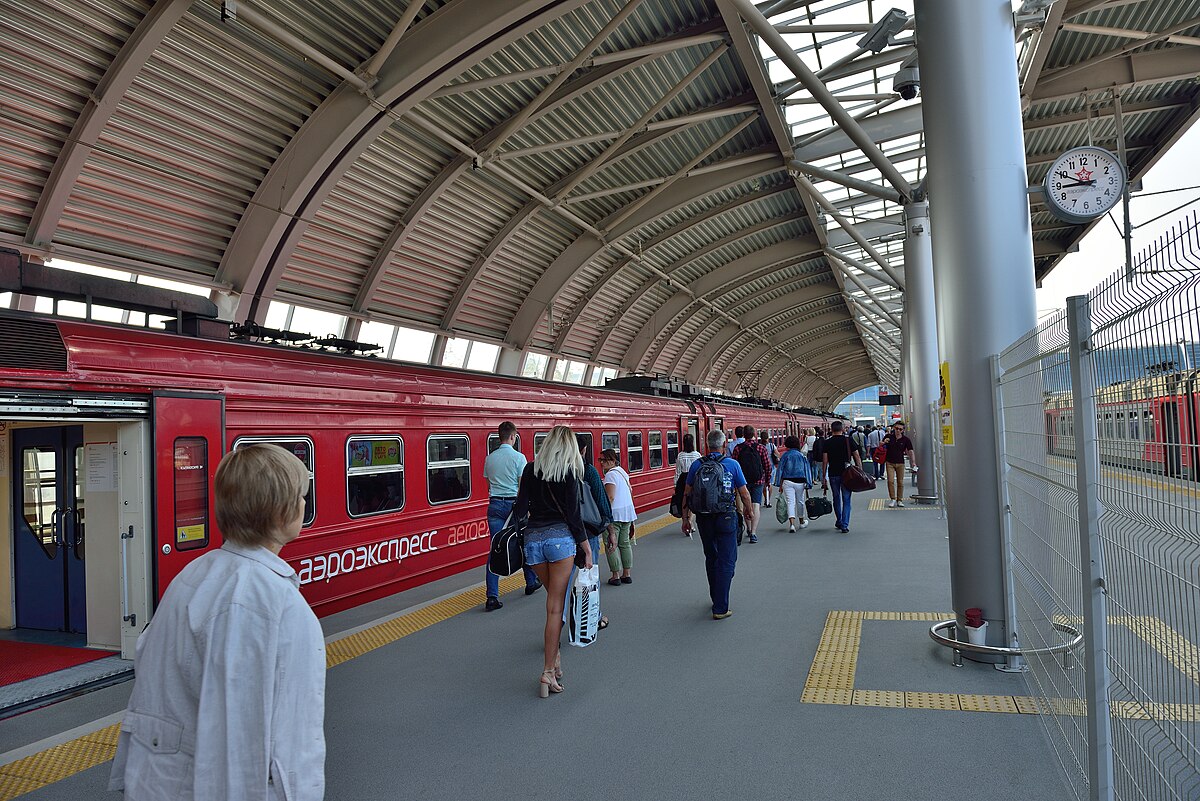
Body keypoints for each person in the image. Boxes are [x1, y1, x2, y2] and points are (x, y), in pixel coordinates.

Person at [109, 444, 325, 800]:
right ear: (280, 511)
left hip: (160, 781)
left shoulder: (192, 576)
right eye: (301, 495)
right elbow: (256, 739)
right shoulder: (273, 603)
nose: (304, 504)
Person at [512, 425, 591, 697]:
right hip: (560, 543)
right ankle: (547, 671)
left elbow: (520, 509)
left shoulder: (530, 469)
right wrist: (587, 549)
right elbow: (573, 516)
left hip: (533, 543)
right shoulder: (569, 472)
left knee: (553, 604)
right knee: (555, 608)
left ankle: (555, 661)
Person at [680, 430, 752, 620]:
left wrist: (685, 519)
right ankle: (720, 607)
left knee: (711, 557)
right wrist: (748, 511)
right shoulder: (732, 464)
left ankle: (716, 596)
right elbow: (744, 493)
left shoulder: (697, 465)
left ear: (707, 445)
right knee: (727, 560)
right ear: (723, 445)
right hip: (726, 516)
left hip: (703, 518)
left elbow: (686, 493)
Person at [482, 421, 541, 611]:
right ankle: (531, 582)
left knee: (496, 548)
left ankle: (492, 596)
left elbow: (488, 485)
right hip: (513, 506)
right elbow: (523, 488)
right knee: (522, 542)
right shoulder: (519, 458)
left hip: (494, 505)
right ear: (513, 436)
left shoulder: (489, 458)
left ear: (500, 436)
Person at [578, 434, 612, 630]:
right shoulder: (589, 471)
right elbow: (602, 502)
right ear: (583, 450)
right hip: (588, 532)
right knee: (589, 578)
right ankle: (593, 618)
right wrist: (611, 530)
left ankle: (559, 625)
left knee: (563, 585)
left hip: (563, 535)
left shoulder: (555, 471)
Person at [598, 448, 636, 586]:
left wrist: (603, 513)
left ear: (613, 460)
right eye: (600, 460)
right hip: (627, 512)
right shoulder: (622, 472)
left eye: (605, 460)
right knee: (624, 544)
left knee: (610, 545)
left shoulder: (610, 475)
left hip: (615, 515)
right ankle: (627, 574)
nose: (602, 463)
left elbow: (610, 497)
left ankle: (615, 575)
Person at [821, 420, 864, 533]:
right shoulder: (848, 440)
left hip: (833, 474)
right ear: (843, 429)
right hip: (847, 474)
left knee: (836, 498)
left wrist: (823, 477)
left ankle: (839, 520)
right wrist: (860, 470)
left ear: (831, 429)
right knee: (846, 499)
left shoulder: (827, 442)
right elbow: (857, 457)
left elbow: (825, 461)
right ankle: (844, 524)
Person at [732, 425, 772, 543]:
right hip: (758, 480)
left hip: (743, 482)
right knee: (756, 505)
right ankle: (753, 533)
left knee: (746, 504)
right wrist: (767, 481)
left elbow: (735, 467)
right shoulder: (761, 448)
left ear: (743, 435)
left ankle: (748, 528)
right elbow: (767, 466)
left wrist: (735, 483)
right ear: (754, 434)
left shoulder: (738, 448)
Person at [774, 435, 813, 532]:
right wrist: (809, 483)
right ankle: (802, 521)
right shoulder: (802, 456)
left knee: (790, 502)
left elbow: (780, 470)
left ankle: (792, 525)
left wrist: (779, 483)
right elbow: (807, 470)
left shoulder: (785, 456)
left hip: (787, 481)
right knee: (800, 501)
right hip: (800, 481)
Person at [882, 422, 917, 507]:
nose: (898, 430)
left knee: (900, 482)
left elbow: (910, 451)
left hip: (900, 463)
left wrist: (913, 462)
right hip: (889, 462)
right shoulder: (888, 437)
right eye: (896, 428)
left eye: (900, 429)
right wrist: (883, 442)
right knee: (890, 481)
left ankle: (899, 500)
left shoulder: (906, 440)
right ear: (894, 428)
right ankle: (893, 499)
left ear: (903, 430)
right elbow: (880, 444)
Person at [674, 434, 703, 538]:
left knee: (684, 502)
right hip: (694, 479)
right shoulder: (697, 455)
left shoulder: (680, 455)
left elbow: (677, 471)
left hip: (683, 479)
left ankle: (686, 522)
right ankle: (690, 522)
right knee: (692, 502)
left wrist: (675, 484)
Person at [759, 431, 777, 508]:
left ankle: (765, 499)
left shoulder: (759, 446)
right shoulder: (772, 446)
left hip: (761, 467)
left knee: (763, 485)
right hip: (771, 467)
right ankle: (768, 500)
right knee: (769, 484)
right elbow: (777, 454)